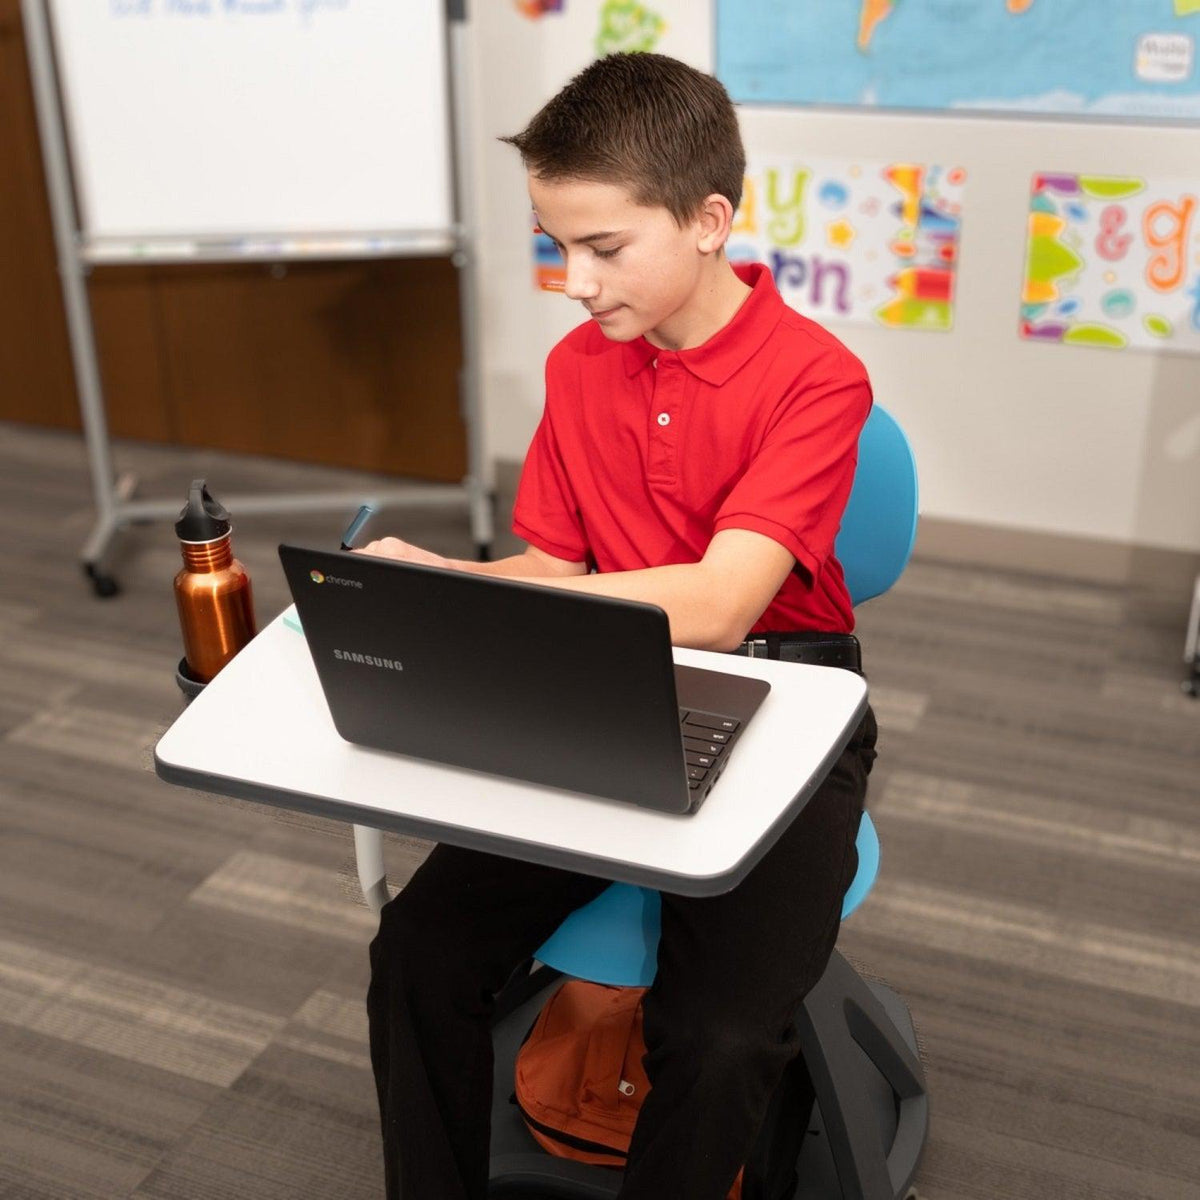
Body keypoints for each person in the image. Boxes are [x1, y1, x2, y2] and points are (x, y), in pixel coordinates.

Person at [358, 52, 878, 1200]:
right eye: (555, 246)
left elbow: (722, 604)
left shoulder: (816, 380)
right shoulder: (578, 368)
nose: (575, 282)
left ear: (708, 221)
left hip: (786, 698)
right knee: (419, 956)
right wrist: (443, 577)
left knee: (723, 1035)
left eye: (602, 248)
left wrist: (489, 601)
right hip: (601, 683)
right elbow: (552, 558)